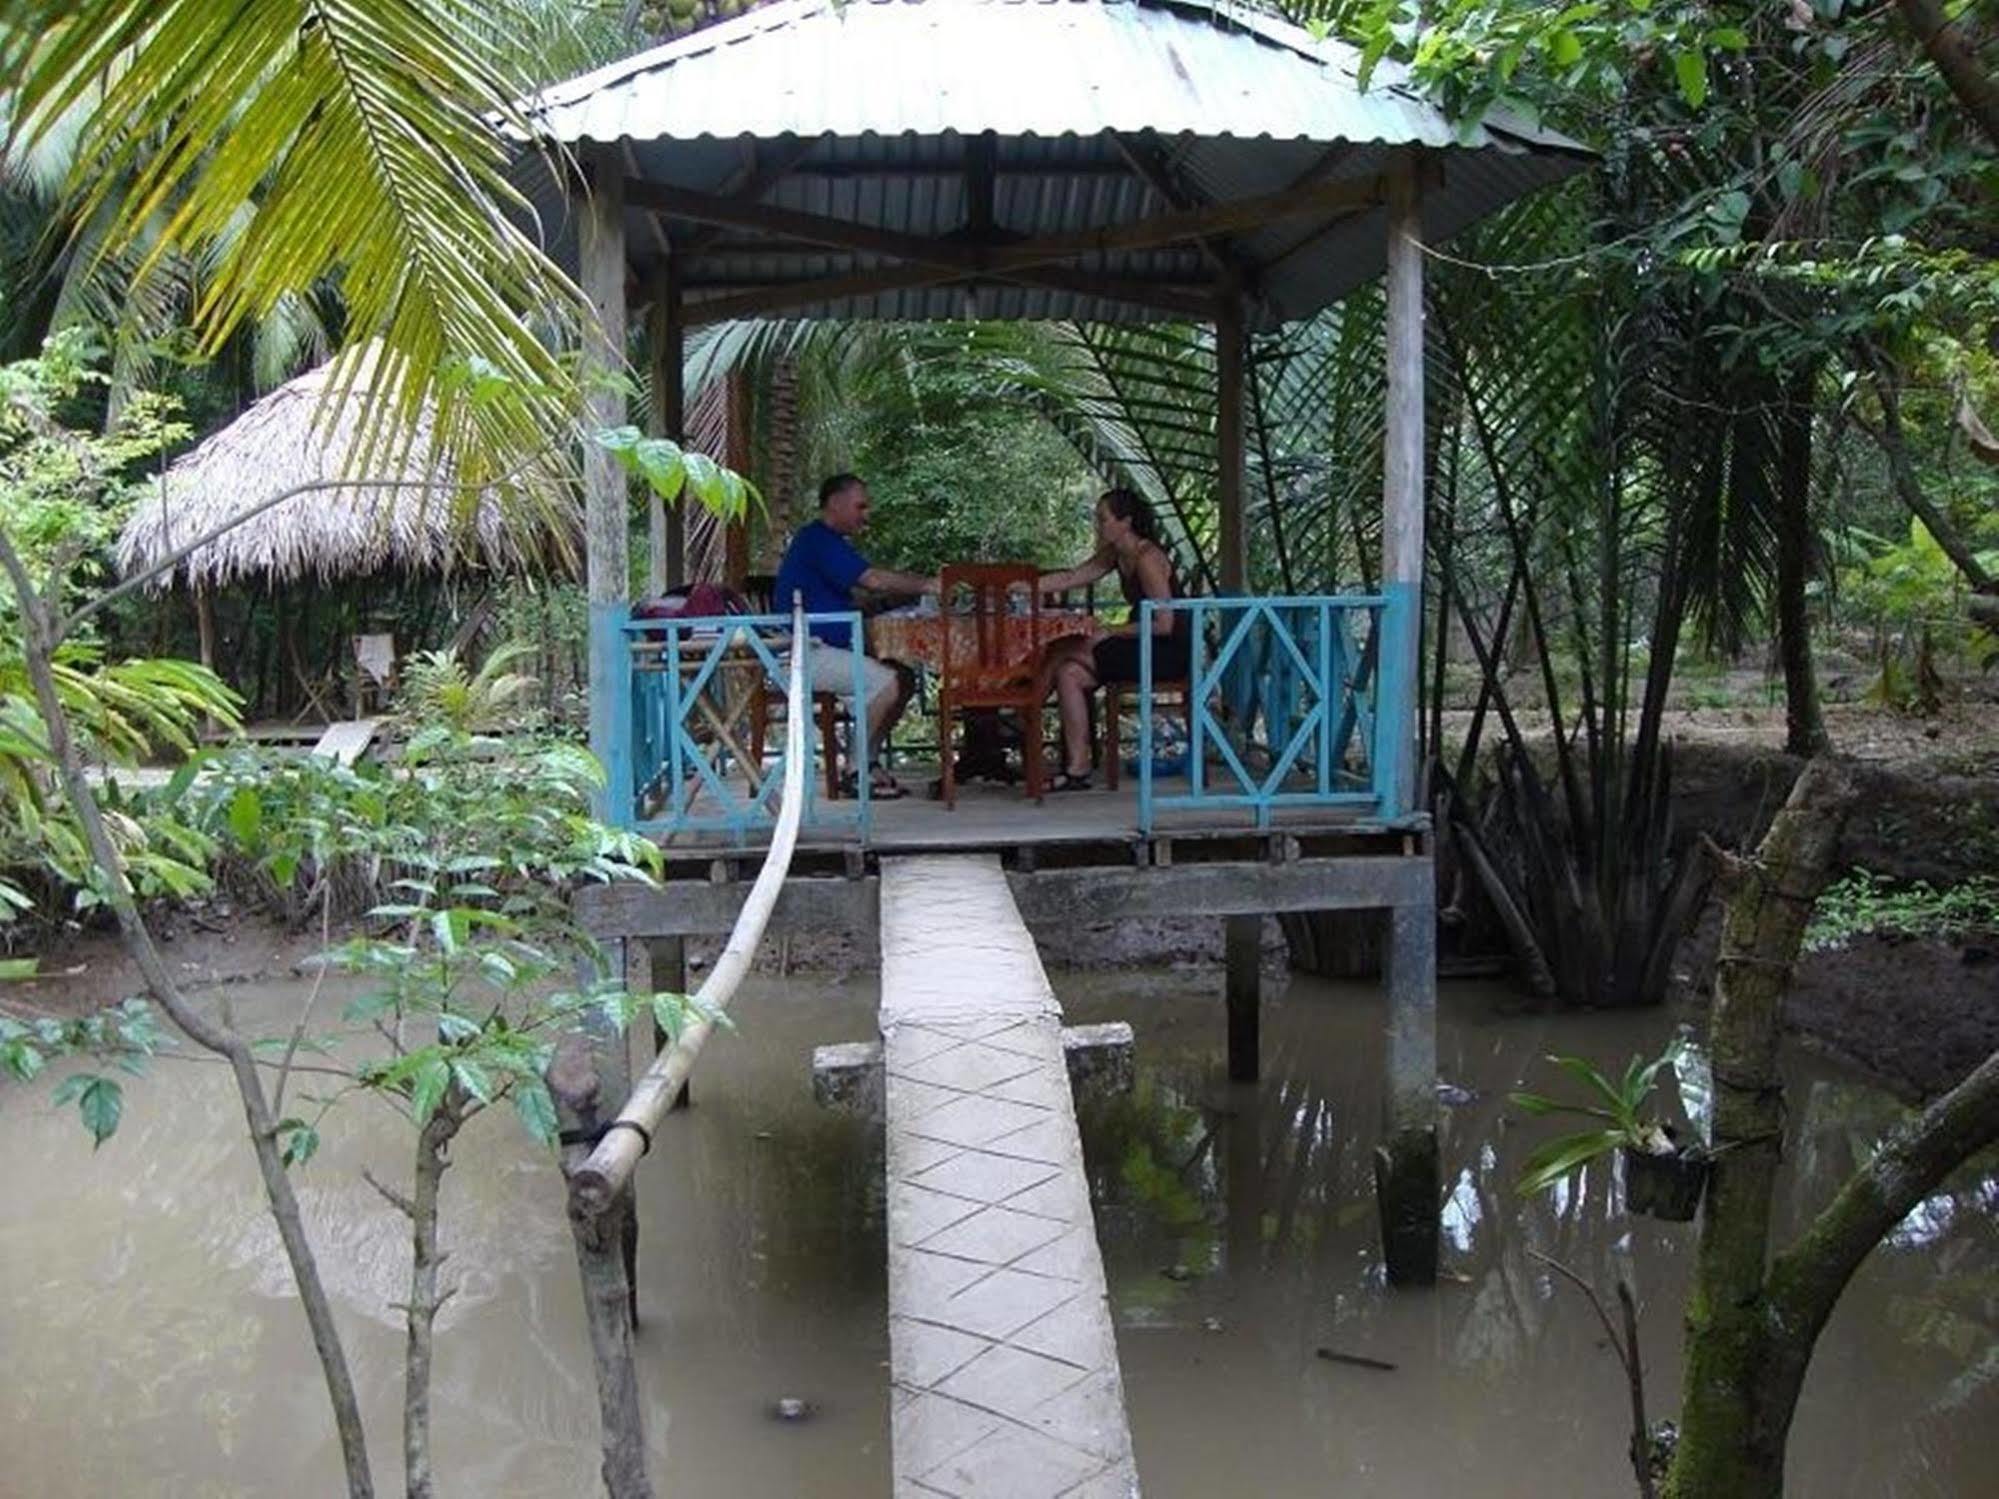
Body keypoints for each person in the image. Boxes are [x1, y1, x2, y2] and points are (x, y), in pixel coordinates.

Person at [773, 472, 936, 797]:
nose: (866, 514)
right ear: (835, 504)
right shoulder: (817, 539)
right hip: (802, 653)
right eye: (860, 506)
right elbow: (872, 580)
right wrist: (928, 585)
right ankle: (855, 772)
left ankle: (869, 761)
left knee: (903, 679)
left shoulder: (830, 543)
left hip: (827, 649)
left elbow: (857, 595)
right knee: (885, 683)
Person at [1037, 488, 1189, 791]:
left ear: (1126, 522)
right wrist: (1025, 585)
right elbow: (1072, 577)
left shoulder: (1147, 557)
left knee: (1065, 647)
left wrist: (1110, 630)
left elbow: (1164, 624)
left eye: (1103, 519)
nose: (1098, 526)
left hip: (1164, 650)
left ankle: (1028, 708)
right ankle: (1077, 768)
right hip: (1139, 643)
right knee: (1069, 674)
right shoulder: (1116, 554)